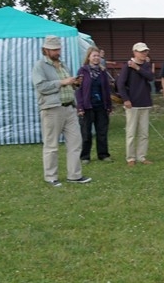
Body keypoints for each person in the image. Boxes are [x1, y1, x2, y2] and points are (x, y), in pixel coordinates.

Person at [31, 35, 91, 186]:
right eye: (54, 49)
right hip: (52, 110)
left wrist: (75, 83)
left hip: (69, 107)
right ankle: (51, 177)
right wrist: (62, 82)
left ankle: (74, 175)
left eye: (58, 49)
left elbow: (67, 85)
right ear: (46, 50)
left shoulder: (63, 64)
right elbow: (41, 87)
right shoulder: (40, 66)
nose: (57, 52)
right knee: (51, 145)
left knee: (75, 142)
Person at [116, 42, 155, 166]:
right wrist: (125, 99)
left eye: (145, 51)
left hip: (145, 102)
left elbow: (150, 77)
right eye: (141, 51)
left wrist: (137, 68)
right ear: (135, 52)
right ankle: (131, 158)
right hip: (132, 104)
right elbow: (120, 84)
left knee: (144, 133)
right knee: (131, 132)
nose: (144, 53)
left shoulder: (146, 65)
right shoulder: (127, 66)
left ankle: (141, 157)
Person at [76, 46, 113, 163]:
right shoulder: (82, 71)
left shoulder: (103, 72)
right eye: (94, 56)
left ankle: (103, 155)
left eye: (98, 56)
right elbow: (78, 90)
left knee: (102, 132)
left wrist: (109, 105)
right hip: (87, 106)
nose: (96, 58)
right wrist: (80, 107)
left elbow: (107, 89)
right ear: (88, 57)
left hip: (101, 106)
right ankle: (85, 156)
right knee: (86, 133)